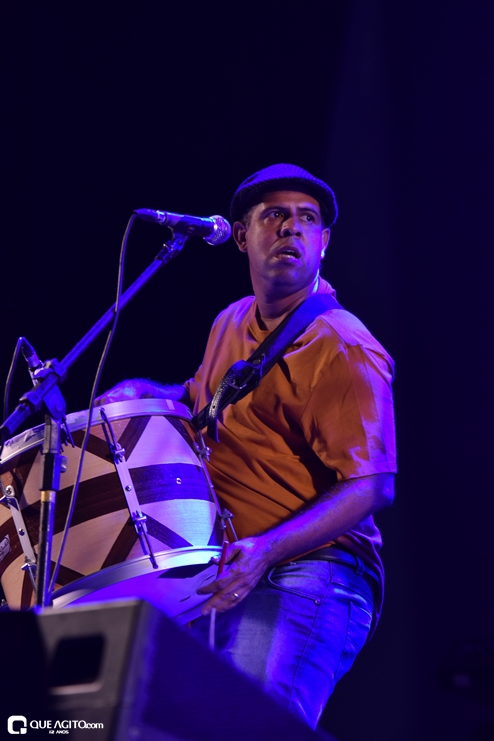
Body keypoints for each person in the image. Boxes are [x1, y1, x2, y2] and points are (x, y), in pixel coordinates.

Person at [99, 164, 397, 729]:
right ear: (241, 236)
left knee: (250, 729)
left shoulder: (344, 345)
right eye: (275, 215)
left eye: (307, 219)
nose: (291, 228)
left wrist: (265, 551)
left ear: (324, 242)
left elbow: (372, 486)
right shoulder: (231, 321)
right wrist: (148, 392)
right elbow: (200, 400)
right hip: (235, 567)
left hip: (311, 571)